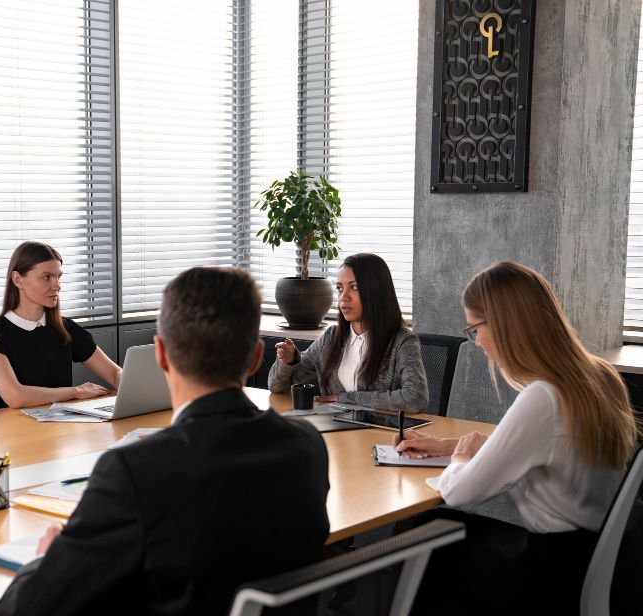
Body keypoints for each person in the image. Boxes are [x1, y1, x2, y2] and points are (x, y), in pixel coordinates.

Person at [0, 267, 330, 616]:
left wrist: (43, 561)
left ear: (162, 355)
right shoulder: (307, 445)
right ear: (256, 359)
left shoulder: (135, 471)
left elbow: (24, 608)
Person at [395, 261, 640, 614]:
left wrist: (462, 459)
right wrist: (454, 447)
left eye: (474, 330)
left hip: (553, 574)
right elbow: (550, 448)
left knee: (432, 530)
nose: (476, 344)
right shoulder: (600, 377)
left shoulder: (543, 397)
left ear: (504, 325)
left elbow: (460, 493)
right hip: (609, 562)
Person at [268, 252, 428, 412]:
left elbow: (416, 398)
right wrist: (287, 362)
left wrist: (346, 399)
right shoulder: (331, 338)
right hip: (333, 432)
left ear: (376, 291)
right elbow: (277, 387)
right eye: (339, 288)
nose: (344, 297)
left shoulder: (402, 341)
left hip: (380, 433)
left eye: (354, 287)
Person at [0, 241, 121, 409]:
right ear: (18, 280)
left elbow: (114, 373)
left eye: (58, 277)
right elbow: (15, 397)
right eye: (47, 277)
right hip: (14, 429)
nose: (57, 286)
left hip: (58, 425)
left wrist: (130, 383)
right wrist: (76, 391)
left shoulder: (64, 327)